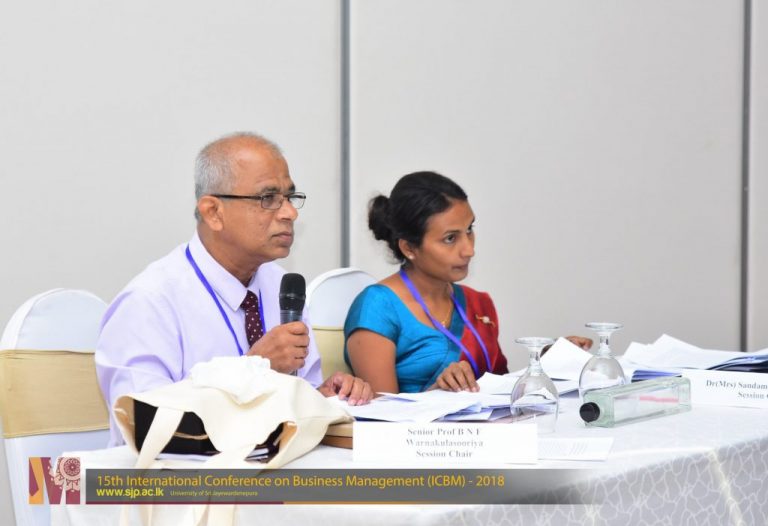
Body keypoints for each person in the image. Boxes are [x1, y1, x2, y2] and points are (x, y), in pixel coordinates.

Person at [96, 132, 372, 446]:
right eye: (268, 198)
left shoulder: (281, 286)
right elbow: (146, 428)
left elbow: (298, 398)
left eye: (290, 197)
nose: (290, 213)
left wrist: (323, 398)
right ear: (214, 212)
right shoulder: (149, 303)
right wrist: (253, 368)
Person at [344, 171, 592, 394]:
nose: (469, 250)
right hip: (422, 433)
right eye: (450, 238)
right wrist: (438, 392)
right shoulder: (377, 307)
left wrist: (546, 363)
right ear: (409, 248)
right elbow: (380, 417)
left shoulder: (477, 303)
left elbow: (498, 390)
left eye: (469, 230)